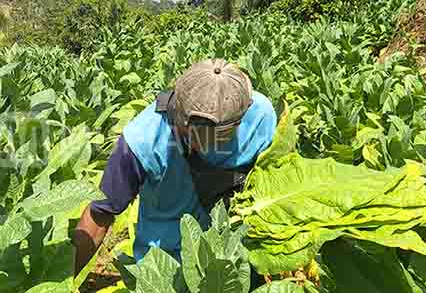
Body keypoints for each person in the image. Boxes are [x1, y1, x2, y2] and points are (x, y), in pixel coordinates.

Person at [73, 59, 277, 272]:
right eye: (189, 136)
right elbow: (100, 213)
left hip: (233, 258)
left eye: (213, 140)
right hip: (166, 267)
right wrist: (64, 286)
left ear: (240, 120)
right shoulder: (142, 140)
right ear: (175, 110)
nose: (198, 145)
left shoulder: (261, 118)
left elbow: (275, 183)